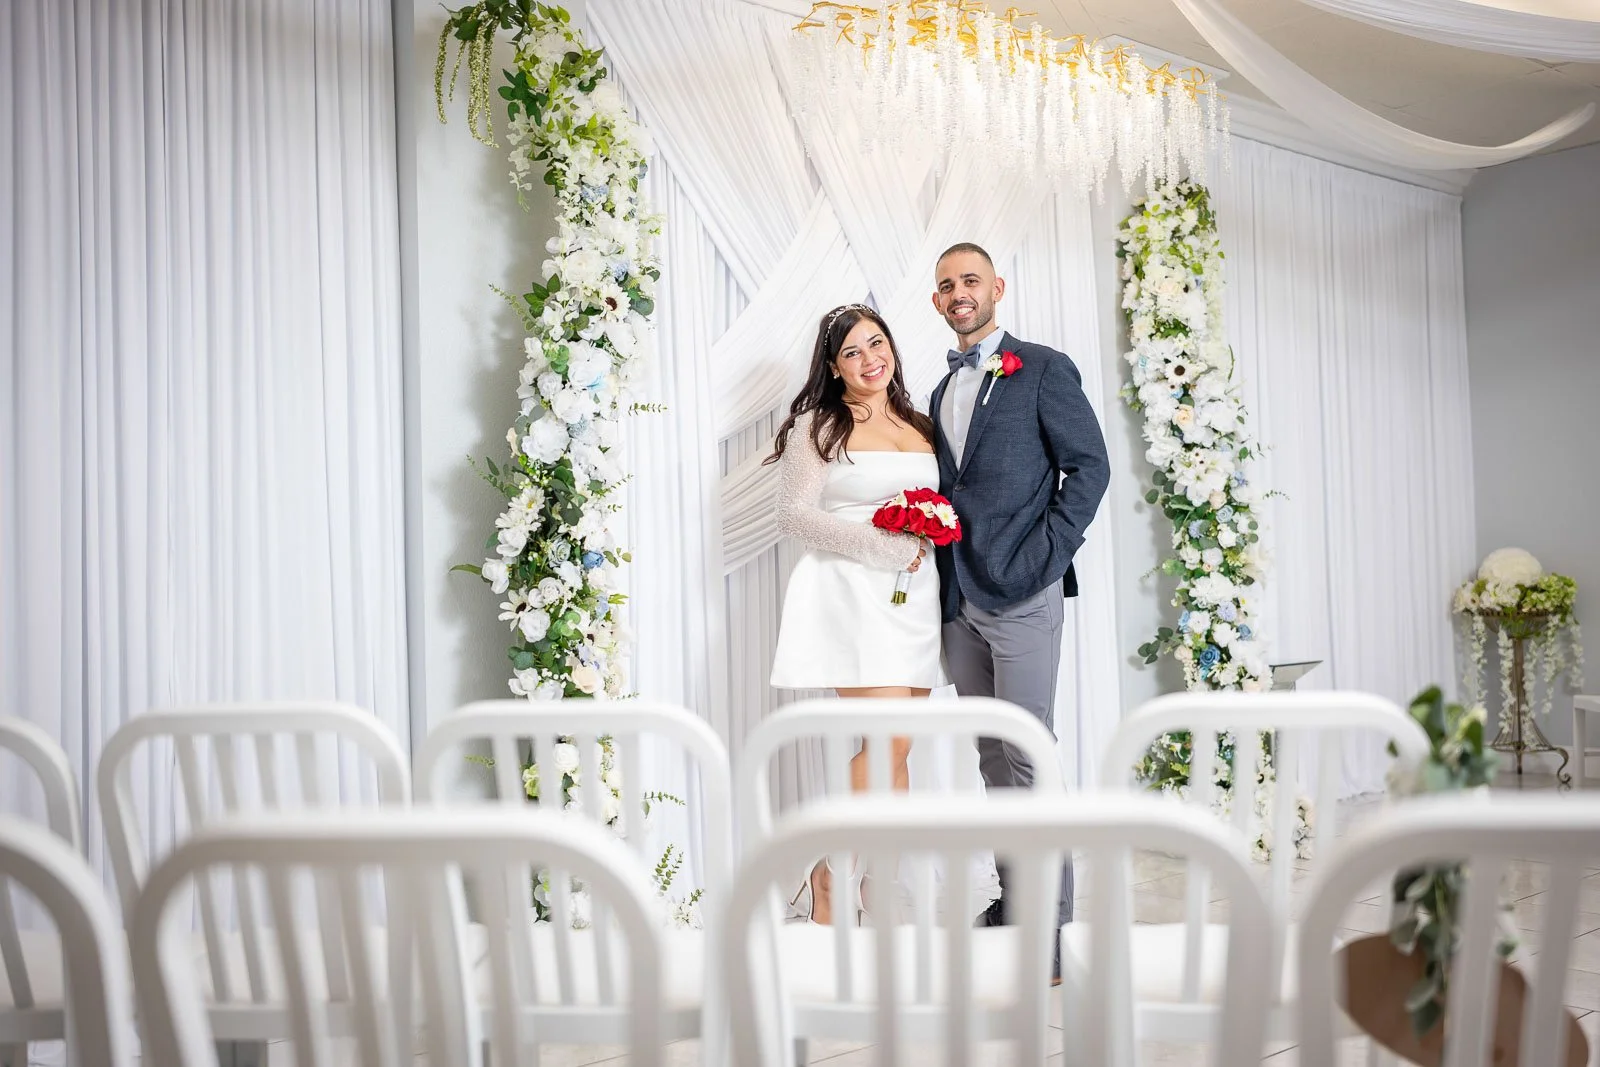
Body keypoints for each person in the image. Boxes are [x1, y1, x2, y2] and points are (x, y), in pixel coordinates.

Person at [928, 242, 1109, 972]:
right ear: (937, 301)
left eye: (970, 279)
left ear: (997, 286)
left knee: (1031, 754)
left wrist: (1046, 558)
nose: (959, 292)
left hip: (1025, 592)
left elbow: (1089, 467)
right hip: (958, 598)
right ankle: (1016, 902)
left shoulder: (1041, 367)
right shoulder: (939, 391)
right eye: (946, 285)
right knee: (991, 757)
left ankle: (1055, 929)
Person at [768, 302, 944, 924]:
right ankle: (823, 870)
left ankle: (868, 882)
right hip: (850, 588)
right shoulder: (819, 425)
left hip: (914, 597)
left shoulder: (921, 423)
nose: (870, 360)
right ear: (834, 366)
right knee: (890, 739)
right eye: (852, 352)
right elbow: (792, 515)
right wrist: (880, 544)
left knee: (897, 749)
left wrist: (923, 540)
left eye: (877, 345)